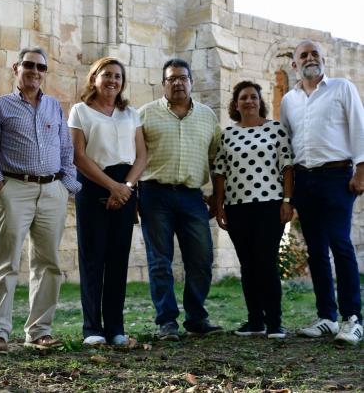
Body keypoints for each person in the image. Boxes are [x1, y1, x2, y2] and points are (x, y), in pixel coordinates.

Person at [0, 47, 81, 354]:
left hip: (52, 190)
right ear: (17, 68)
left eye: (41, 67)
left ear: (44, 72)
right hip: (15, 188)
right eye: (29, 65)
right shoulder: (0, 107)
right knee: (6, 262)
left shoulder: (54, 106)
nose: (34, 71)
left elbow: (67, 150)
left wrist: (67, 184)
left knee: (48, 263)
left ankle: (39, 331)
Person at [280, 40, 364, 345]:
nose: (310, 58)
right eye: (304, 55)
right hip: (305, 180)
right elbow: (287, 143)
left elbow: (359, 127)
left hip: (337, 176)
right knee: (315, 250)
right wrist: (288, 193)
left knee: (340, 244)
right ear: (295, 65)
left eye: (315, 54)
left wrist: (361, 170)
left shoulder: (342, 88)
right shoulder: (288, 100)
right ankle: (327, 317)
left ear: (323, 59)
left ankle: (353, 318)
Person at [138, 58, 222, 341]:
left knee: (201, 258)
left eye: (182, 77)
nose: (177, 82)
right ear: (163, 84)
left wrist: (217, 198)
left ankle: (196, 317)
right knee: (160, 261)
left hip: (192, 197)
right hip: (154, 194)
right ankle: (167, 321)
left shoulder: (208, 116)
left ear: (191, 82)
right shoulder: (145, 114)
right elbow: (134, 157)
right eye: (171, 78)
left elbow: (216, 160)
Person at [68, 57, 146, 346]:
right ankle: (92, 328)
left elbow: (141, 156)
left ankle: (115, 328)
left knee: (117, 259)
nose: (113, 80)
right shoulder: (80, 111)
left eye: (117, 76)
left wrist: (125, 187)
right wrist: (112, 186)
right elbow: (79, 155)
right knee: (92, 258)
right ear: (94, 78)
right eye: (107, 75)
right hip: (92, 186)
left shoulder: (131, 114)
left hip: (126, 187)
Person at [213, 81, 294, 339]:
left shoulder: (275, 129)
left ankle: (274, 323)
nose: (248, 101)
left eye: (253, 97)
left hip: (270, 205)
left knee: (266, 262)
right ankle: (255, 321)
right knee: (247, 265)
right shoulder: (227, 135)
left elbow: (287, 167)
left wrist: (287, 200)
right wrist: (219, 206)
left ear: (260, 102)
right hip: (237, 207)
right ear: (235, 104)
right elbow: (220, 173)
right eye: (243, 98)